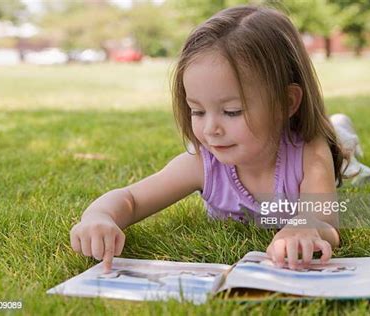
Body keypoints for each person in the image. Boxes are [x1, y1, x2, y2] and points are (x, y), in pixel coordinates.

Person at [71, 5, 355, 274]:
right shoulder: (201, 165)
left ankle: (341, 131)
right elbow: (130, 199)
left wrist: (305, 228)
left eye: (231, 111)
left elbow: (326, 221)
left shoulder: (310, 152)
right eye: (197, 111)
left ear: (286, 102)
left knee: (346, 154)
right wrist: (99, 217)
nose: (210, 129)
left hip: (316, 145)